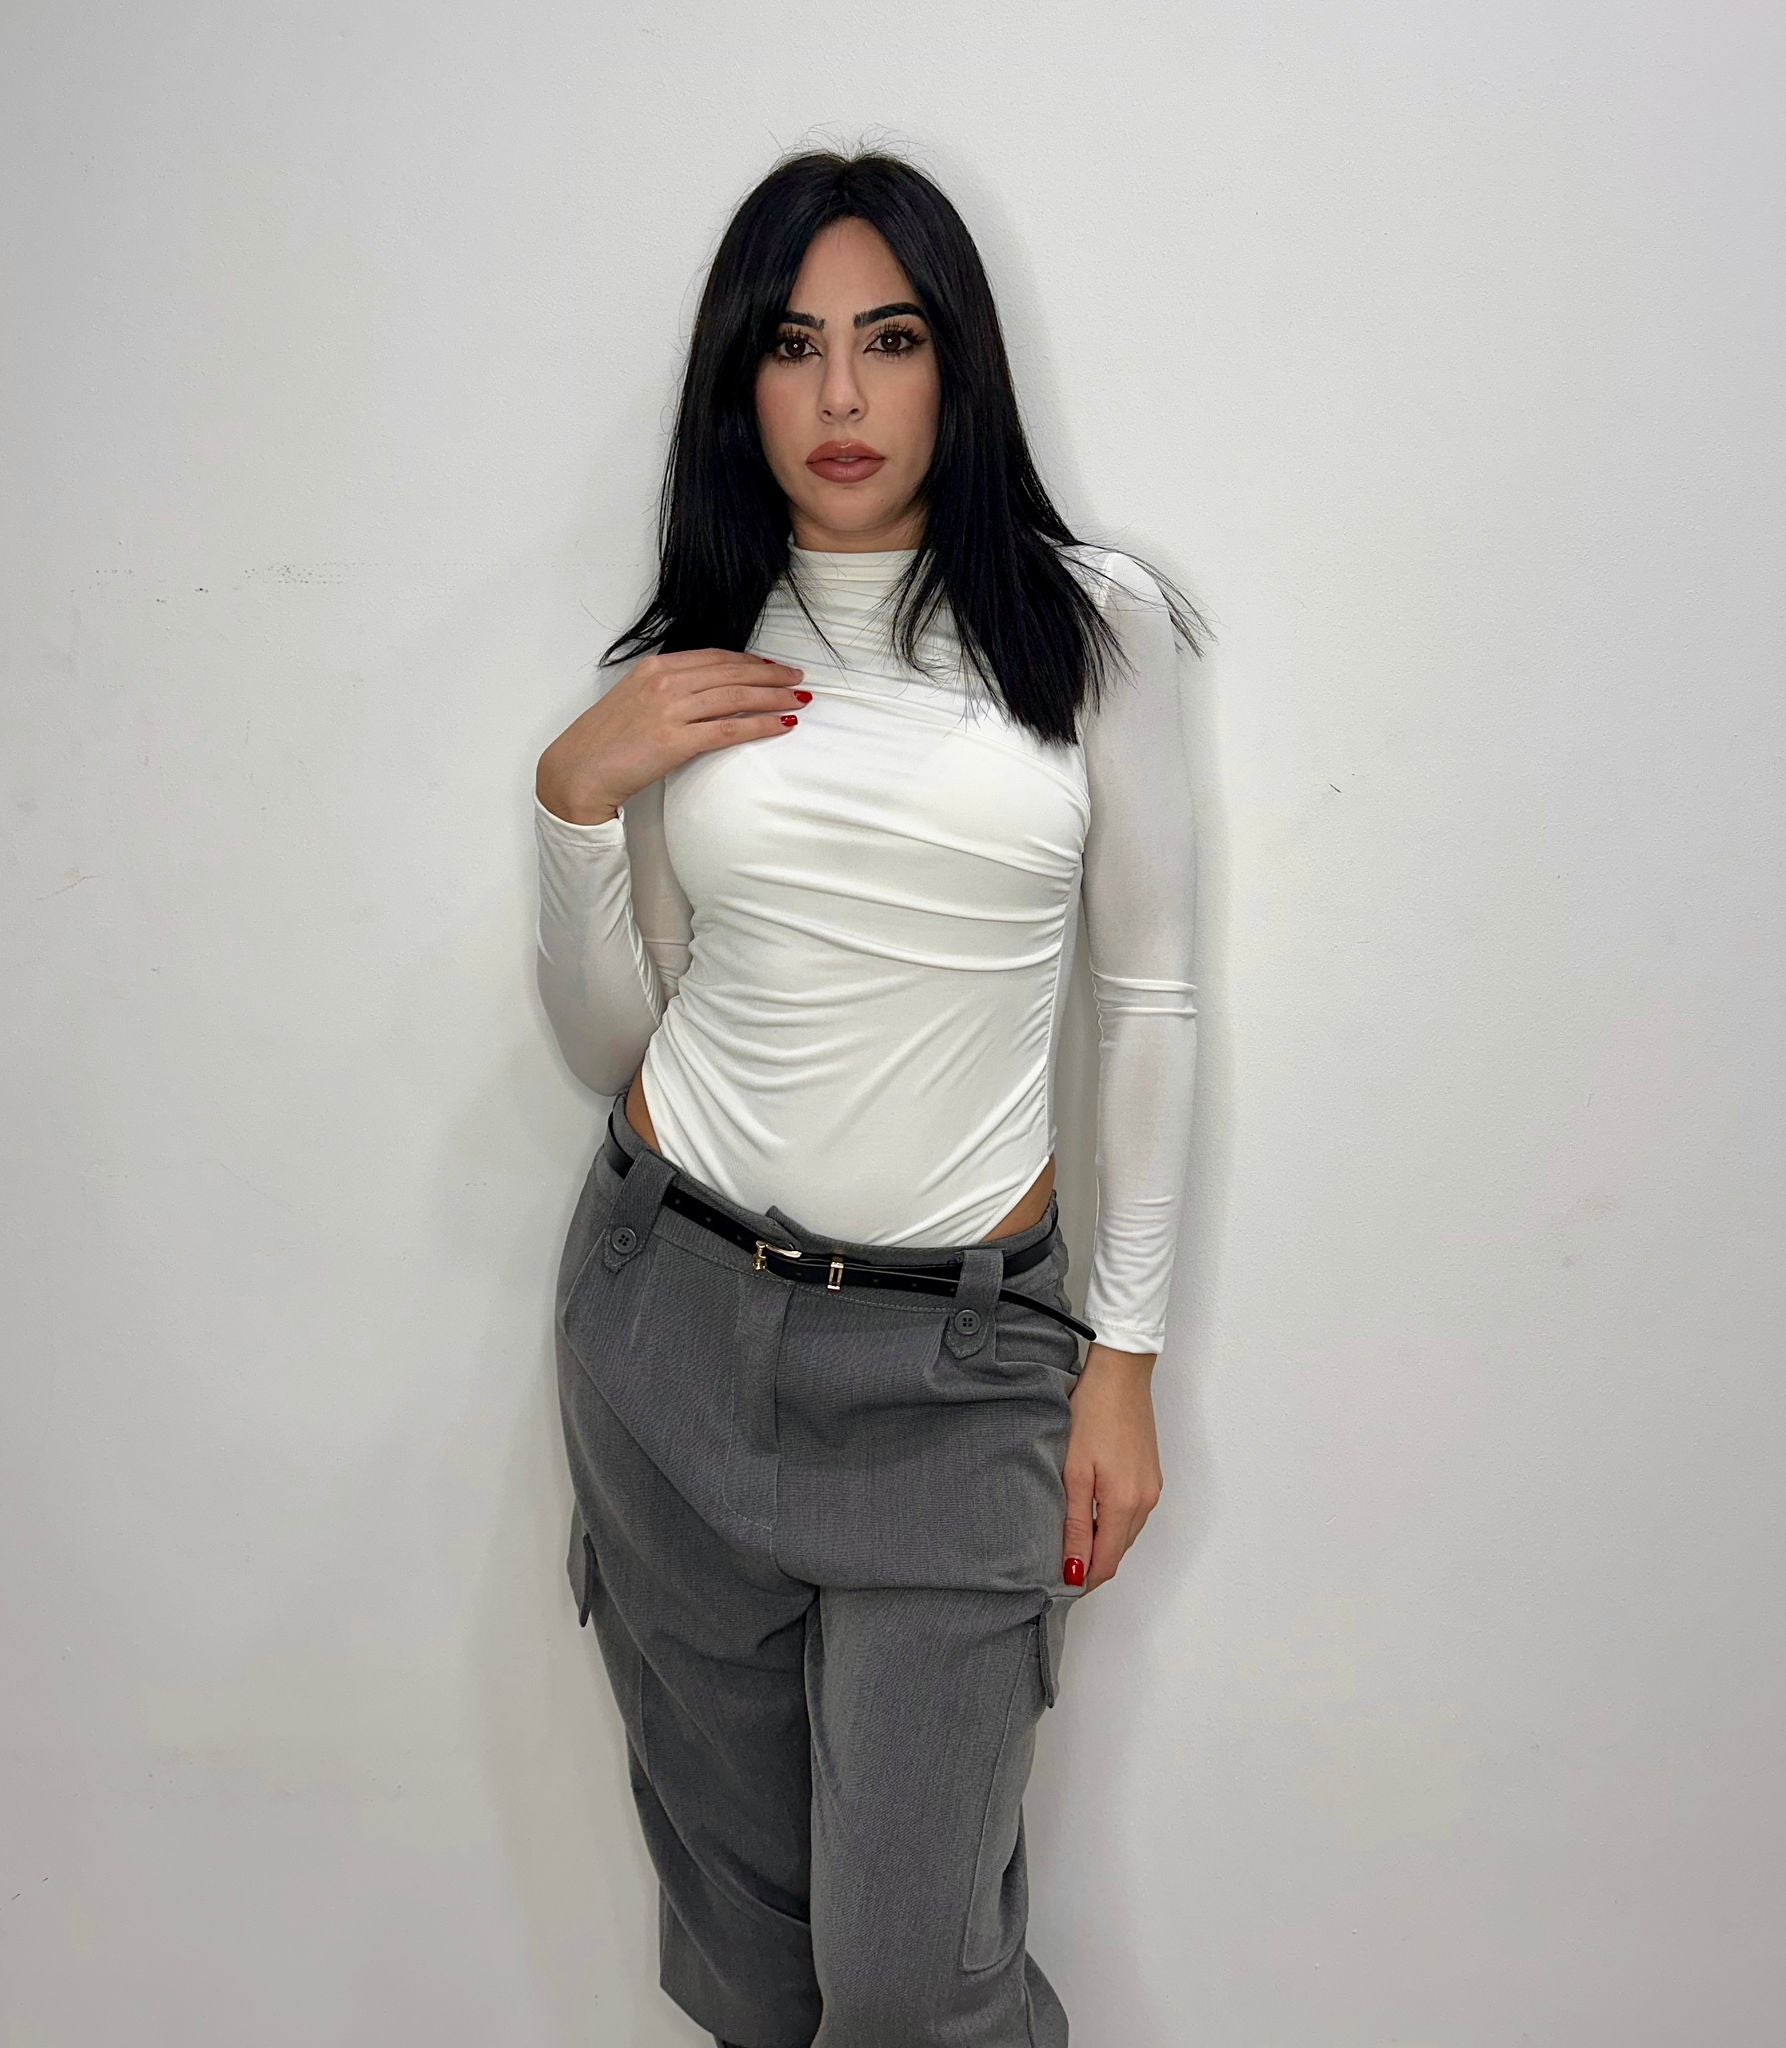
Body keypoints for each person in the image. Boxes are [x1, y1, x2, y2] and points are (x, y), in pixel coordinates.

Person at [532, 146, 1209, 2048]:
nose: (840, 395)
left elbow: (1148, 998)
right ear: (737, 382)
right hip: (670, 1320)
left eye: (889, 341)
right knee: (752, 1964)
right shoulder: (696, 654)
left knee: (911, 1978)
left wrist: (1124, 1359)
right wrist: (573, 802)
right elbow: (621, 1039)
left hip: (959, 1368)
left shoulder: (1089, 626)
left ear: (953, 365)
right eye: (793, 345)